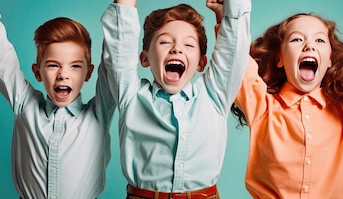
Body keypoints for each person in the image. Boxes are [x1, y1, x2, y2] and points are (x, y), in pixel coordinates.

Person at [225, 0, 343, 198]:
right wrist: (226, 12)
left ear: (329, 59)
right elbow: (237, 59)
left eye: (319, 40)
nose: (309, 46)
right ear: (280, 59)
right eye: (296, 40)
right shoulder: (262, 107)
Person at [0, 0, 115, 198]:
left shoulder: (99, 114)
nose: (63, 74)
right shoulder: (25, 105)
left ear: (88, 73)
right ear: (37, 72)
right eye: (53, 65)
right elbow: (0, 53)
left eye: (75, 66)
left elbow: (115, 59)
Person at [100, 0, 250, 198]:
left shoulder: (214, 95)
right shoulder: (131, 95)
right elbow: (119, 49)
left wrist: (228, 13)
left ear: (201, 62)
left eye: (188, 44)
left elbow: (232, 53)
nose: (177, 49)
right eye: (164, 42)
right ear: (145, 58)